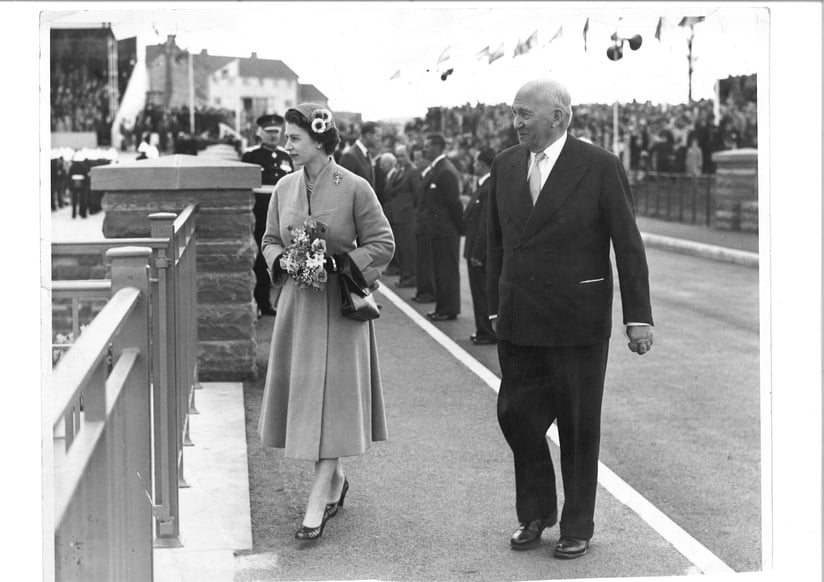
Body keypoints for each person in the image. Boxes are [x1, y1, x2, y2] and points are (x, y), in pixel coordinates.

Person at [487, 78, 654, 559]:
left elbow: (628, 245)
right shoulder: (505, 165)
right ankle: (538, 510)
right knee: (515, 415)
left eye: (525, 114)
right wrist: (494, 306)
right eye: (514, 113)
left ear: (559, 117)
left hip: (576, 322)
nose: (516, 123)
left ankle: (577, 524)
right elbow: (495, 242)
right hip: (519, 319)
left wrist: (637, 317)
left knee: (579, 428)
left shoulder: (599, 166)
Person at [258, 102, 395, 541]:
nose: (287, 145)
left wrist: (342, 264)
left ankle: (316, 504)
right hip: (299, 311)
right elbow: (269, 239)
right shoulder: (283, 187)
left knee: (333, 409)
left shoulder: (355, 187)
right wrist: (281, 261)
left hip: (340, 312)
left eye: (294, 138)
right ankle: (335, 484)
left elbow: (382, 242)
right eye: (286, 137)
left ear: (319, 139)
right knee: (308, 405)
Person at [241, 113, 295, 317]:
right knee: (260, 262)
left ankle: (276, 304)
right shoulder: (251, 156)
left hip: (282, 216)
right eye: (269, 132)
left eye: (276, 132)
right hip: (260, 216)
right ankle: (259, 302)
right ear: (260, 133)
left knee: (283, 260)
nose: (273, 136)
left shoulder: (285, 156)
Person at [419, 133, 463, 321]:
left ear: (438, 147)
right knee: (440, 270)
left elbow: (454, 203)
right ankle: (442, 307)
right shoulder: (436, 168)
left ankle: (448, 309)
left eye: (428, 145)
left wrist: (459, 229)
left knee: (446, 271)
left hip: (445, 231)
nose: (424, 148)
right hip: (437, 231)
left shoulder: (444, 170)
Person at [463, 146, 497, 344]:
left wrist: (477, 253)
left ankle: (487, 332)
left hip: (480, 251)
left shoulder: (489, 186)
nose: (473, 165)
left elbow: (486, 223)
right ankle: (482, 329)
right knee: (478, 292)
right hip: (475, 248)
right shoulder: (483, 185)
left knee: (482, 293)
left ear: (483, 164)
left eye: (476, 162)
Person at [381, 145, 418, 288]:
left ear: (408, 155)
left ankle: (409, 277)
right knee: (401, 249)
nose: (400, 159)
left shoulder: (412, 171)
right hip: (397, 216)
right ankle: (404, 275)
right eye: (398, 156)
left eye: (402, 155)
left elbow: (417, 194)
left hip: (407, 216)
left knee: (407, 249)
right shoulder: (399, 171)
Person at [339, 121, 382, 189]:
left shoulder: (366, 154)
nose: (379, 139)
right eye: (378, 136)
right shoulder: (350, 156)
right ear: (368, 135)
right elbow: (342, 186)